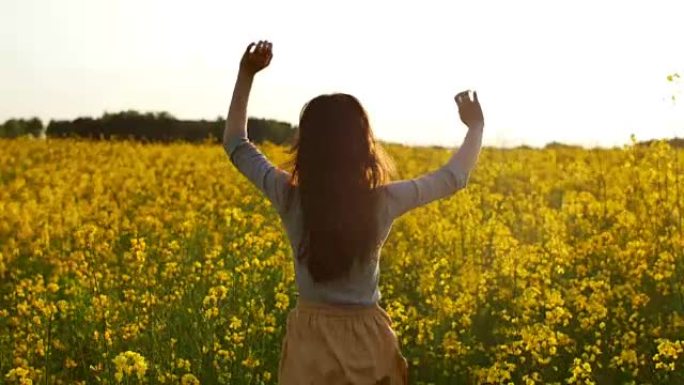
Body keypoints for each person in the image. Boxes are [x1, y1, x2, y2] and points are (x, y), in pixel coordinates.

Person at [223, 40, 484, 385]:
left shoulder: (290, 197)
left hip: (310, 344)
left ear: (307, 145)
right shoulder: (383, 201)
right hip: (368, 340)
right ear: (364, 146)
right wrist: (475, 128)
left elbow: (237, 145)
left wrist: (246, 74)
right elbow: (453, 178)